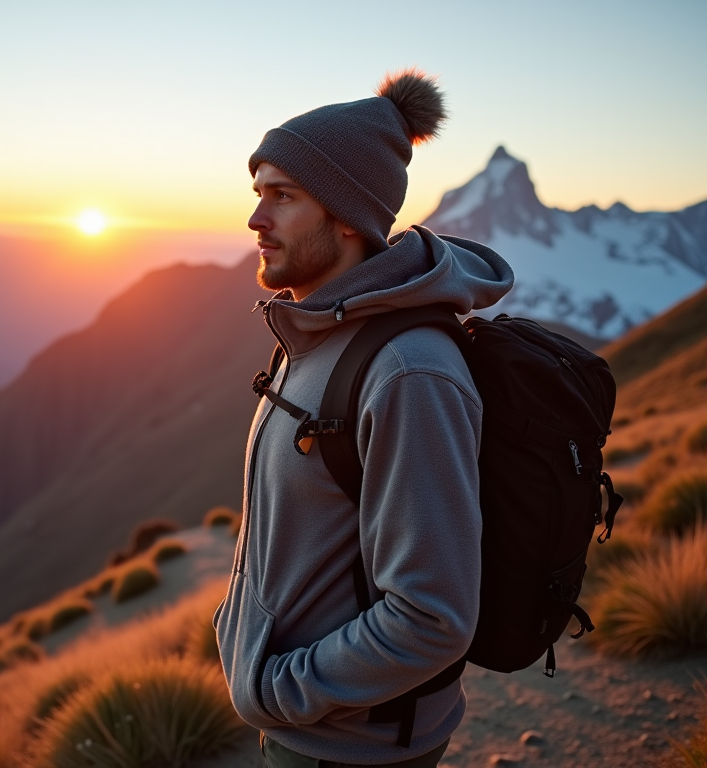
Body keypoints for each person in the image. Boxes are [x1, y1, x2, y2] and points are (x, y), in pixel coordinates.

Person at [213, 69, 514, 767]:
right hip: (309, 726)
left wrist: (281, 689)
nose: (256, 220)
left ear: (348, 214)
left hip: (345, 748)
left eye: (282, 197)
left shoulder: (408, 372)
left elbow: (432, 617)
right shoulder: (316, 326)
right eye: (258, 194)